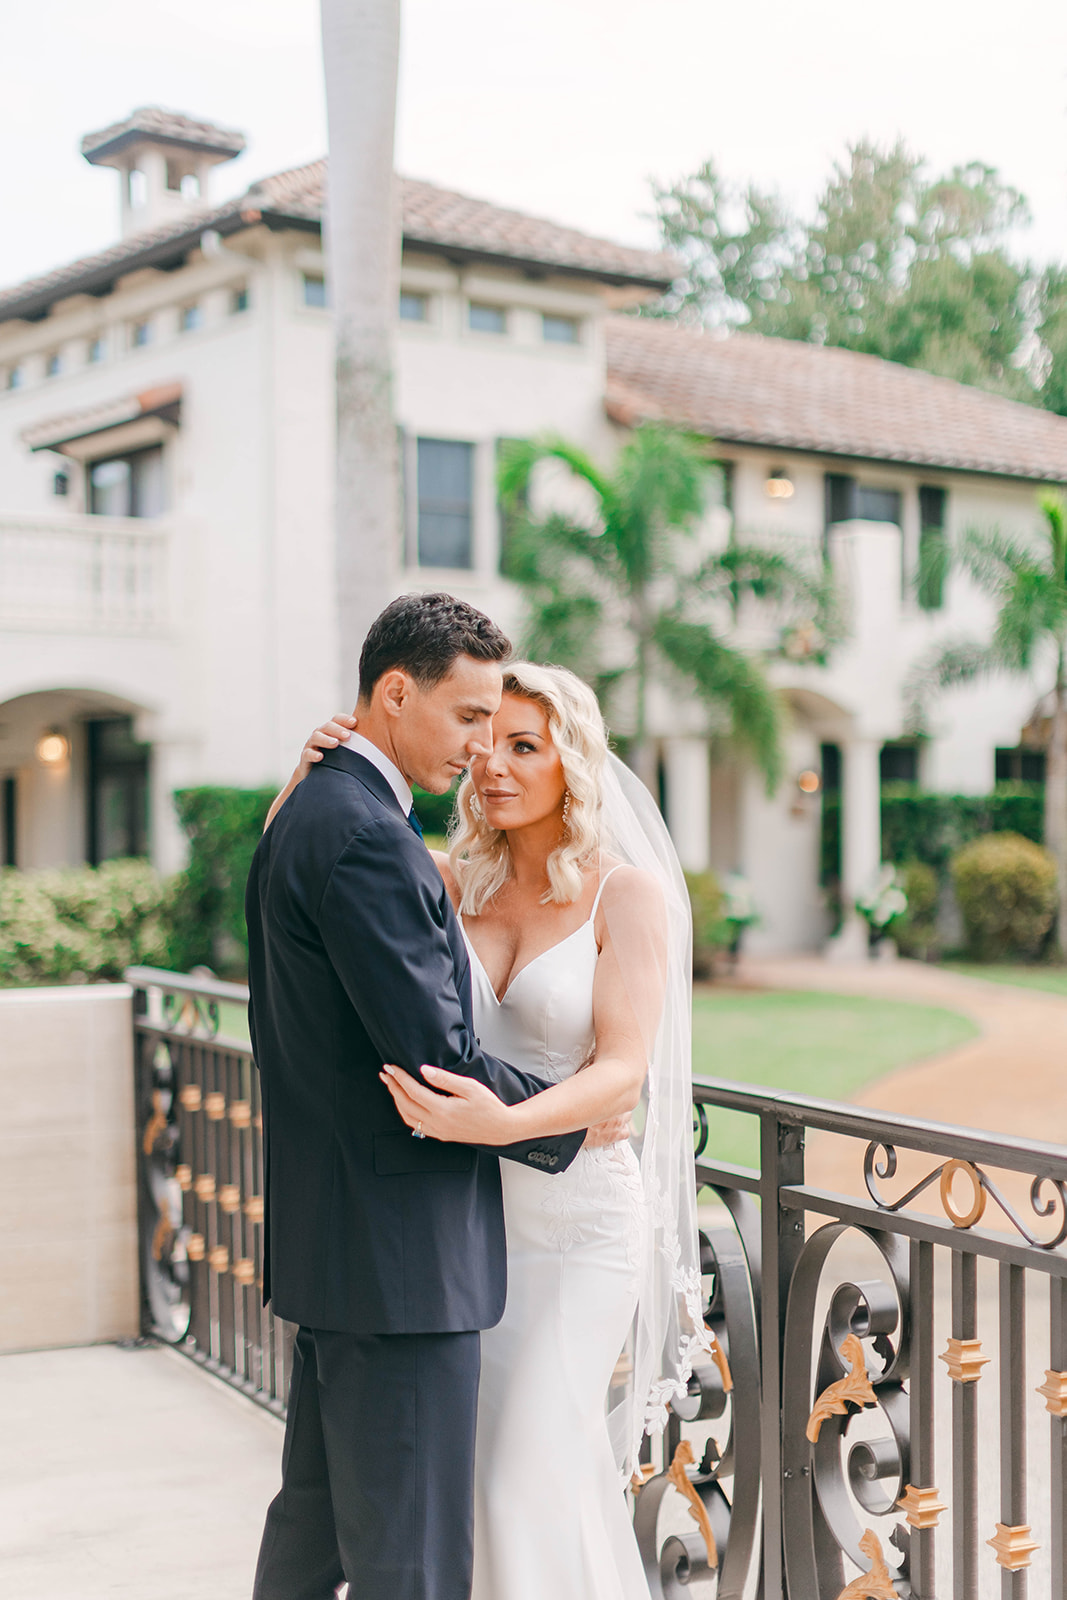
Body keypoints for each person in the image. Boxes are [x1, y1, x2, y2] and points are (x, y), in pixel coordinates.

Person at [287, 657, 708, 1599]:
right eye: (483, 744)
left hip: (578, 1230)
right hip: (470, 1233)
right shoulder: (442, 881)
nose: (493, 766)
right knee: (478, 1481)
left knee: (523, 1473)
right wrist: (304, 778)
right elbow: (308, 871)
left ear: (574, 763)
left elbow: (621, 1074)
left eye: (525, 746)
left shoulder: (623, 894)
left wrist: (501, 1121)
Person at [246, 593, 591, 1600]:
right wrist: (565, 1108)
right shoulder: (362, 833)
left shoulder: (317, 808)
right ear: (394, 693)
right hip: (399, 1266)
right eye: (468, 716)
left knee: (310, 1536)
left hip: (343, 1249)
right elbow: (432, 1055)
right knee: (414, 1563)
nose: (480, 749)